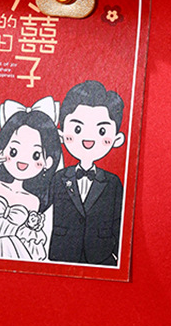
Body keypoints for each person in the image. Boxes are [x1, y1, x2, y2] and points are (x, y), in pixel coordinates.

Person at [0, 99, 62, 261]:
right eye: (14, 151)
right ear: (2, 149)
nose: (22, 161)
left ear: (48, 162)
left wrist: (32, 227)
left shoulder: (34, 201)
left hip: (12, 249)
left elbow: (33, 242)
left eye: (36, 155)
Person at [48, 80, 126, 266]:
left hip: (101, 256)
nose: (88, 138)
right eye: (77, 129)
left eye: (101, 130)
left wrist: (118, 256)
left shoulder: (113, 182)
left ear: (117, 139)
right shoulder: (58, 177)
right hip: (62, 253)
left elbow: (119, 220)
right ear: (61, 134)